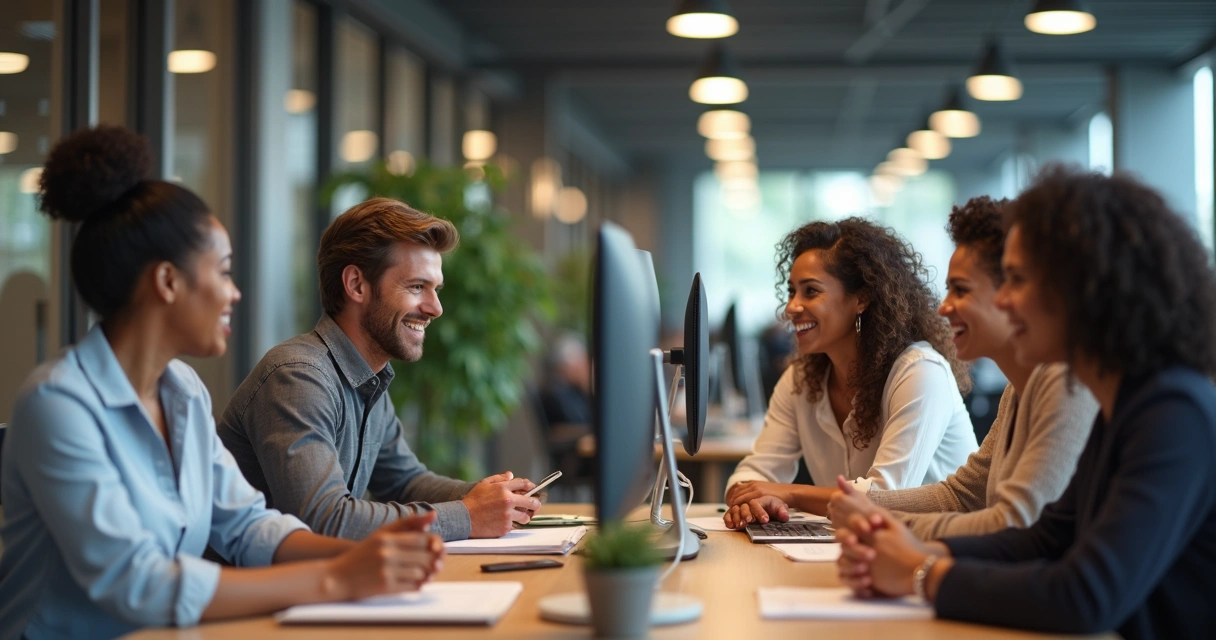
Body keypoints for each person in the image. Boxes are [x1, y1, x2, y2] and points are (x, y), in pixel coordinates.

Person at [0, 126, 444, 640]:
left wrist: (369, 555)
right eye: (224, 271)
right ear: (168, 282)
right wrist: (335, 577)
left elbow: (248, 525)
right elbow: (136, 584)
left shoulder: (182, 391)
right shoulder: (57, 403)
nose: (234, 293)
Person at [833, 166, 1216, 639]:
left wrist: (921, 573)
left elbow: (1086, 595)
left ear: (1084, 287)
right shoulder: (1125, 403)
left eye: (1017, 280)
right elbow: (1044, 538)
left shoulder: (1174, 413)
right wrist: (910, 551)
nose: (1006, 301)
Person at [217, 197, 541, 542]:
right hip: (265, 592)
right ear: (357, 284)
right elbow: (323, 520)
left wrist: (490, 496)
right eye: (417, 287)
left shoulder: (367, 378)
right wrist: (467, 516)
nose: (436, 308)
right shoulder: (298, 376)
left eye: (435, 289)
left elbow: (405, 481)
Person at [826, 196, 1097, 539]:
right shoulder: (1017, 390)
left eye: (961, 290)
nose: (944, 308)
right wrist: (869, 504)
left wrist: (883, 523)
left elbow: (1014, 523)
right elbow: (963, 496)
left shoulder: (1063, 381)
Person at [723, 217, 977, 528]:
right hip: (865, 549)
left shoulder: (920, 373)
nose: (792, 307)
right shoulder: (801, 380)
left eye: (810, 291)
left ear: (861, 299)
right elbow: (756, 472)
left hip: (944, 552)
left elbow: (885, 498)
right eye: (792, 292)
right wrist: (750, 499)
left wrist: (788, 494)